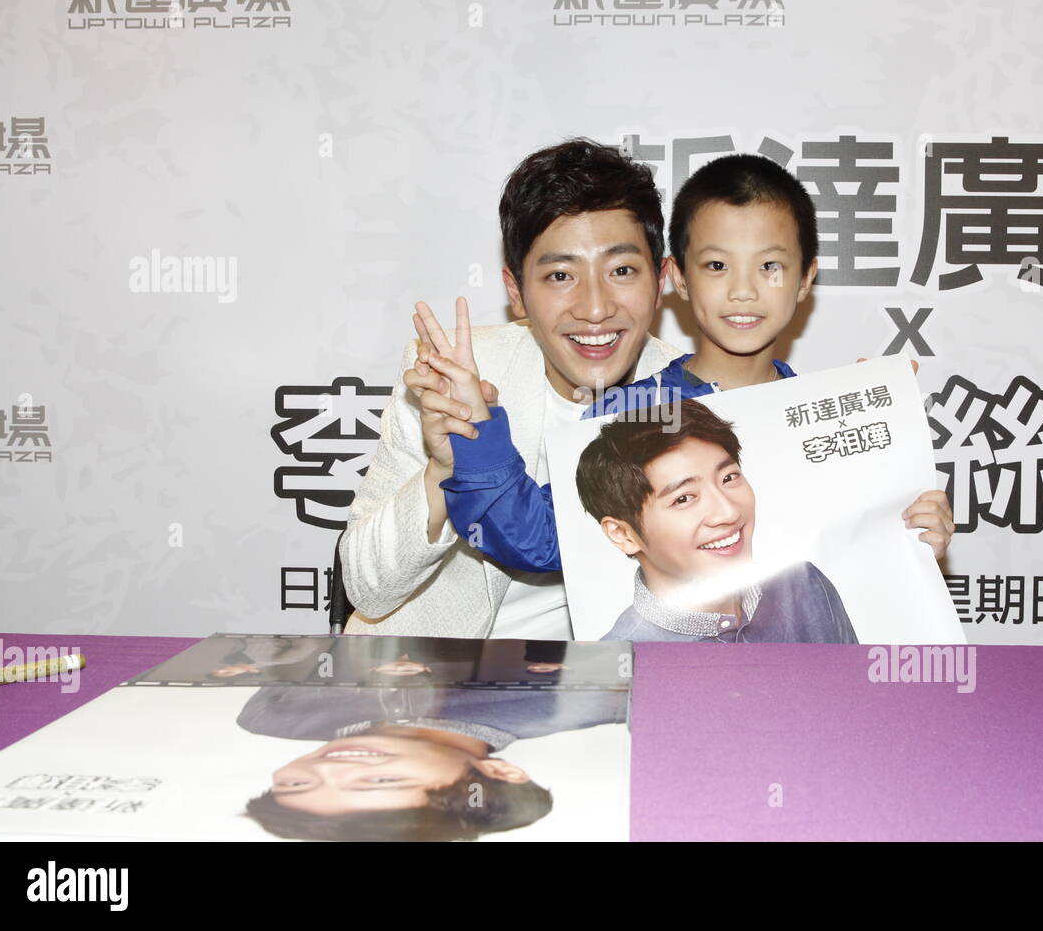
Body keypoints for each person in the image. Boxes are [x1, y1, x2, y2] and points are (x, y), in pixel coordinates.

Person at [421, 152, 953, 581]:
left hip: (792, 680)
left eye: (770, 266)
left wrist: (908, 530)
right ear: (676, 277)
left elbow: (850, 560)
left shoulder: (823, 416)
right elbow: (544, 540)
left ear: (806, 279)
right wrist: (478, 430)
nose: (743, 291)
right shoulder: (628, 411)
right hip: (666, 676)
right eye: (717, 265)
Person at [339, 138, 683, 638]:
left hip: (606, 681)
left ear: (663, 279)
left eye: (622, 271)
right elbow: (366, 588)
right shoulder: (450, 377)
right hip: (430, 680)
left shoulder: (698, 396)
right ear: (516, 294)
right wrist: (445, 469)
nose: (594, 308)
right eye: (561, 275)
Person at [575, 399, 857, 642]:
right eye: (684, 498)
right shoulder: (619, 664)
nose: (728, 513)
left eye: (728, 478)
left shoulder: (803, 586)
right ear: (622, 534)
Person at [237, 680, 627, 840]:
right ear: (497, 771)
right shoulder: (592, 698)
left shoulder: (278, 711)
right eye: (381, 783)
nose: (329, 768)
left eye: (297, 783)